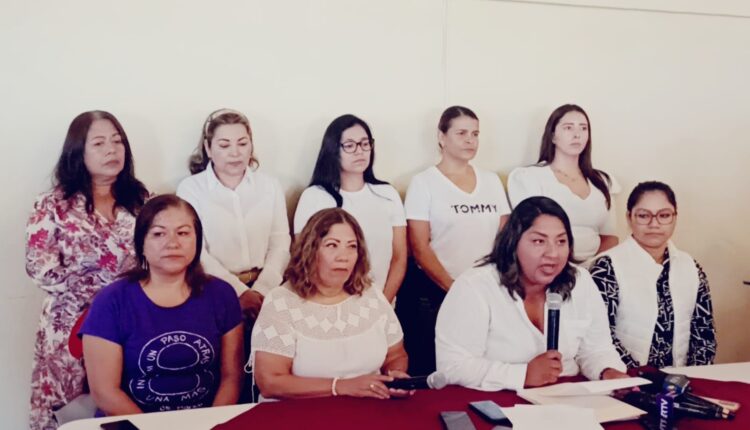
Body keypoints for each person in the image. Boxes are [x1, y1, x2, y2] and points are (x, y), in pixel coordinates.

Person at [25, 111, 148, 430]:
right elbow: (40, 269)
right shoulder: (52, 204)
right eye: (99, 143)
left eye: (117, 142)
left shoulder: (140, 200)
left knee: (123, 406)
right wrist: (105, 289)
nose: (111, 150)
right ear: (78, 152)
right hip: (70, 325)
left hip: (128, 321)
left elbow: (152, 260)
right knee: (70, 413)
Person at [435, 196, 627, 391]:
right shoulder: (474, 286)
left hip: (566, 396)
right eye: (538, 241)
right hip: (495, 399)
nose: (553, 253)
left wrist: (608, 371)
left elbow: (597, 349)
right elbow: (453, 366)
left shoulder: (580, 281)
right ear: (513, 242)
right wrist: (523, 375)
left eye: (561, 241)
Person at [80, 195, 243, 414]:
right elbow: (104, 392)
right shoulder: (111, 301)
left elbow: (232, 377)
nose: (172, 243)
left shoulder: (221, 294)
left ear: (197, 241)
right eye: (158, 234)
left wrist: (213, 423)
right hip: (132, 424)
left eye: (183, 233)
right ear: (142, 244)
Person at [252, 208, 412, 400]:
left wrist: (395, 376)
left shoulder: (371, 295)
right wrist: (340, 386)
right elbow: (270, 382)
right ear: (310, 250)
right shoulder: (281, 303)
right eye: (332, 245)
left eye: (352, 246)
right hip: (300, 413)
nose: (343, 256)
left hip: (368, 409)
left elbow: (396, 355)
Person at [397, 106, 511, 375]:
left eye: (475, 134)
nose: (470, 140)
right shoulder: (424, 183)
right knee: (434, 371)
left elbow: (505, 237)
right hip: (436, 293)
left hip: (486, 290)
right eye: (461, 133)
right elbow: (420, 247)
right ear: (442, 137)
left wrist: (489, 287)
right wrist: (455, 289)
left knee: (480, 368)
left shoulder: (491, 181)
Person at [177, 108, 290, 320]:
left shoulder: (270, 186)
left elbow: (280, 243)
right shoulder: (191, 189)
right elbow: (196, 251)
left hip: (267, 290)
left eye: (242, 143)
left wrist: (262, 290)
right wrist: (239, 292)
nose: (235, 153)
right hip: (213, 289)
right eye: (224, 145)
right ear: (208, 148)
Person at [590, 181, 716, 369]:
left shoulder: (690, 267)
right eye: (644, 216)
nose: (654, 224)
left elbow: (704, 332)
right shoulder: (606, 267)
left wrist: (695, 376)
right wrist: (639, 376)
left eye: (664, 215)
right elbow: (599, 338)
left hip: (682, 379)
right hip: (626, 378)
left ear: (675, 218)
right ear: (629, 217)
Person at [293, 114, 406, 303]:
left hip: (381, 302)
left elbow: (399, 257)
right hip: (328, 303)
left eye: (365, 144)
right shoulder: (314, 196)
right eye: (350, 145)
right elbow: (304, 258)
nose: (359, 151)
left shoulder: (388, 194)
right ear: (333, 150)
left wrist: (383, 303)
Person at [507, 104, 618, 261]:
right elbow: (529, 235)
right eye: (568, 128)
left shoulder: (603, 181)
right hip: (549, 264)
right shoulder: (529, 177)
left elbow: (610, 237)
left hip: (596, 266)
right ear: (553, 136)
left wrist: (592, 268)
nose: (577, 135)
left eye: (583, 128)